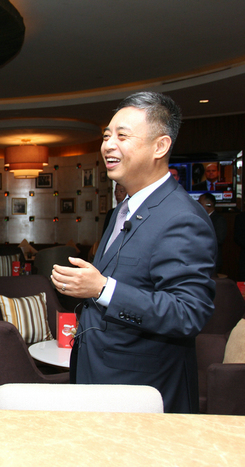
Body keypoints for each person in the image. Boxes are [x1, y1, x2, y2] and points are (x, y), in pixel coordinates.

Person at [50, 91, 216, 413]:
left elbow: (187, 313)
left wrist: (102, 289)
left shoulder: (182, 217)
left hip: (143, 391)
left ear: (160, 146)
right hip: (100, 380)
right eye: (106, 136)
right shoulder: (121, 211)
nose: (108, 145)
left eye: (122, 136)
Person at [198, 193, 227, 275]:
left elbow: (219, 239)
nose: (198, 206)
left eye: (200, 203)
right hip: (200, 260)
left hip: (212, 259)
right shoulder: (200, 218)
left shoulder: (218, 219)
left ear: (209, 204)